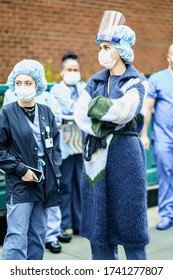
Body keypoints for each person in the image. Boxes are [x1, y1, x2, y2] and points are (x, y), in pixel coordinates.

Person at [74, 10, 149, 260]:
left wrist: (96, 108)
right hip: (95, 161)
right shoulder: (94, 82)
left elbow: (123, 111)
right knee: (99, 233)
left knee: (131, 229)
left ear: (121, 49)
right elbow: (79, 114)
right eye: (101, 46)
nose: (102, 52)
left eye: (107, 46)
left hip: (125, 159)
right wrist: (103, 115)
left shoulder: (136, 81)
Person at [0, 59, 62, 260]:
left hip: (44, 183)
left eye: (28, 83)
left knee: (38, 235)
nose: (23, 87)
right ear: (13, 85)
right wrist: (20, 169)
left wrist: (55, 174)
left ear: (37, 85)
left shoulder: (46, 113)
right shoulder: (7, 113)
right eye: (19, 83)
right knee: (17, 237)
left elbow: (55, 148)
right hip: (19, 183)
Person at [50, 51, 86, 235]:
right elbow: (72, 111)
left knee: (80, 184)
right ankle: (65, 224)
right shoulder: (56, 90)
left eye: (76, 69)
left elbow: (85, 111)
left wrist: (75, 115)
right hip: (65, 145)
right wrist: (77, 114)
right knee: (64, 185)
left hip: (81, 144)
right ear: (62, 72)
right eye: (69, 69)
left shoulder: (85, 87)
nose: (73, 72)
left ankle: (79, 223)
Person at [141, 43, 173, 230]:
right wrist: (144, 134)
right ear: (168, 57)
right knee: (165, 175)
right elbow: (148, 108)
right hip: (164, 137)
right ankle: (167, 214)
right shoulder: (157, 79)